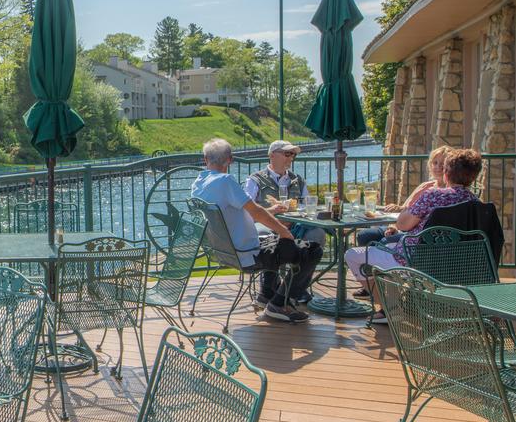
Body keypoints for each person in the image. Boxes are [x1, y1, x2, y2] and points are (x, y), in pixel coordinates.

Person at [191, 138, 323, 322]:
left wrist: (276, 226)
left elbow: (245, 213)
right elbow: (256, 211)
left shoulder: (198, 184)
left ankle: (267, 294)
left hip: (223, 250)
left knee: (272, 240)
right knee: (312, 250)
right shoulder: (226, 181)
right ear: (230, 160)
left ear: (205, 159)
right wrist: (285, 233)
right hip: (246, 253)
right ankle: (279, 303)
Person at [346, 148, 484, 323]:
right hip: (456, 263)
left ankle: (390, 308)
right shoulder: (476, 203)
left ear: (447, 174)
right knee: (387, 248)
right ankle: (394, 307)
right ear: (473, 177)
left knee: (352, 255)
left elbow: (403, 224)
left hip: (416, 260)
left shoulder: (432, 195)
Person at [351, 146, 450, 297]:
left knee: (384, 241)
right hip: (401, 224)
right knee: (365, 236)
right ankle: (370, 286)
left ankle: (387, 295)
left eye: (442, 164)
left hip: (413, 232)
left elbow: (411, 219)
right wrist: (394, 220)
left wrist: (398, 226)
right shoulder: (425, 186)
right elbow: (406, 208)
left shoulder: (437, 194)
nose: (437, 167)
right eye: (435, 163)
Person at [243, 140, 326, 303]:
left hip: (294, 227)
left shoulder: (297, 180)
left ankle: (293, 288)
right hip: (267, 226)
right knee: (267, 236)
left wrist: (295, 214)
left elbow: (308, 206)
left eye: (293, 154)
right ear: (272, 155)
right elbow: (246, 213)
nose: (291, 158)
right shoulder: (255, 180)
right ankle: (270, 288)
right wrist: (272, 212)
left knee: (318, 234)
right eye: (287, 153)